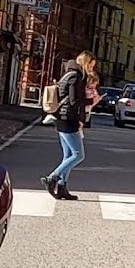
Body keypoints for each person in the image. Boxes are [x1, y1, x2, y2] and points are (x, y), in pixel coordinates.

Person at [40, 51, 96, 200]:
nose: (92, 68)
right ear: (85, 62)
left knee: (68, 155)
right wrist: (91, 102)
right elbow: (73, 100)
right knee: (78, 155)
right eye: (91, 65)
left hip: (62, 117)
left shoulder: (70, 73)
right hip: (68, 118)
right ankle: (53, 177)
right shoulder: (76, 76)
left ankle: (62, 187)